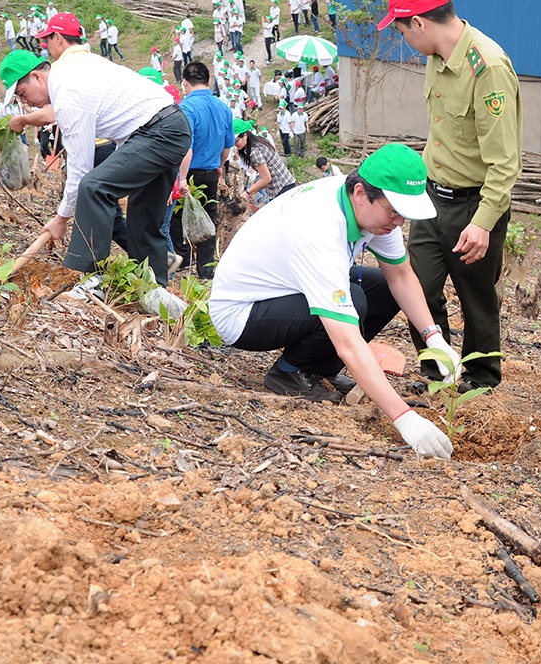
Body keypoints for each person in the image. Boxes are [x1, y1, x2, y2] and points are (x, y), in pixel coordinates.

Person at [209, 143, 460, 459]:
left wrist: (433, 338)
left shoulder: (372, 209)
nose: (399, 222)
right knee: (353, 298)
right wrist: (405, 418)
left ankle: (319, 370)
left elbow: (400, 276)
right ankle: (287, 372)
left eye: (405, 214)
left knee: (380, 287)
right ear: (360, 193)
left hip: (286, 291)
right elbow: (348, 342)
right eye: (394, 211)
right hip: (243, 313)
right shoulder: (319, 230)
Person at [379, 0, 521, 392]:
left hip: (475, 205)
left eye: (402, 30)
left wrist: (482, 223)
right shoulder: (436, 57)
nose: (404, 39)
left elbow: (505, 162)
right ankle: (437, 370)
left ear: (420, 24)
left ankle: (481, 381)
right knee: (418, 288)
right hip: (431, 196)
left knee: (476, 301)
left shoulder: (487, 67)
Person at [0, 13, 190, 288]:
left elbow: (80, 167)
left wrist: (62, 218)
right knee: (142, 219)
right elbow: (127, 121)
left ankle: (86, 278)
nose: (25, 102)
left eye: (22, 93)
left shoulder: (66, 90)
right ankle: (154, 290)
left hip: (158, 132)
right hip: (166, 127)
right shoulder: (76, 69)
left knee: (93, 187)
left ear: (37, 77)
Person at [171, 61, 234, 279]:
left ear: (185, 83)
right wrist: (219, 165)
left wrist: (182, 178)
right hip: (210, 171)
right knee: (208, 217)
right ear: (208, 81)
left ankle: (182, 258)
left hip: (189, 171)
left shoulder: (186, 108)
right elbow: (227, 145)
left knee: (178, 216)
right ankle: (206, 268)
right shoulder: (223, 107)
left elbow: (186, 147)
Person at [233, 119, 296, 207]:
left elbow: (266, 178)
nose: (235, 144)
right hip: (282, 186)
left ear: (245, 135)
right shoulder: (258, 142)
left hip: (282, 188)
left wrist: (247, 193)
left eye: (237, 141)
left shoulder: (255, 152)